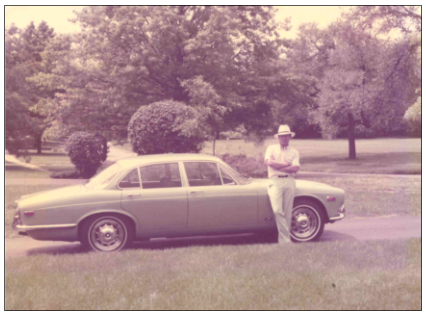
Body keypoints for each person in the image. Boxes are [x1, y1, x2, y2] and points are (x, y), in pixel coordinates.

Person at [264, 125, 300, 244]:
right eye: (282, 136)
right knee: (277, 210)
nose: (284, 138)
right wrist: (286, 164)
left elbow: (295, 168)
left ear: (290, 137)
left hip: (289, 181)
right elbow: (269, 163)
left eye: (286, 136)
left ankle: (284, 241)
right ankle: (286, 239)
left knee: (287, 212)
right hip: (275, 182)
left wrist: (279, 166)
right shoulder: (271, 148)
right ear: (278, 137)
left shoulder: (294, 152)